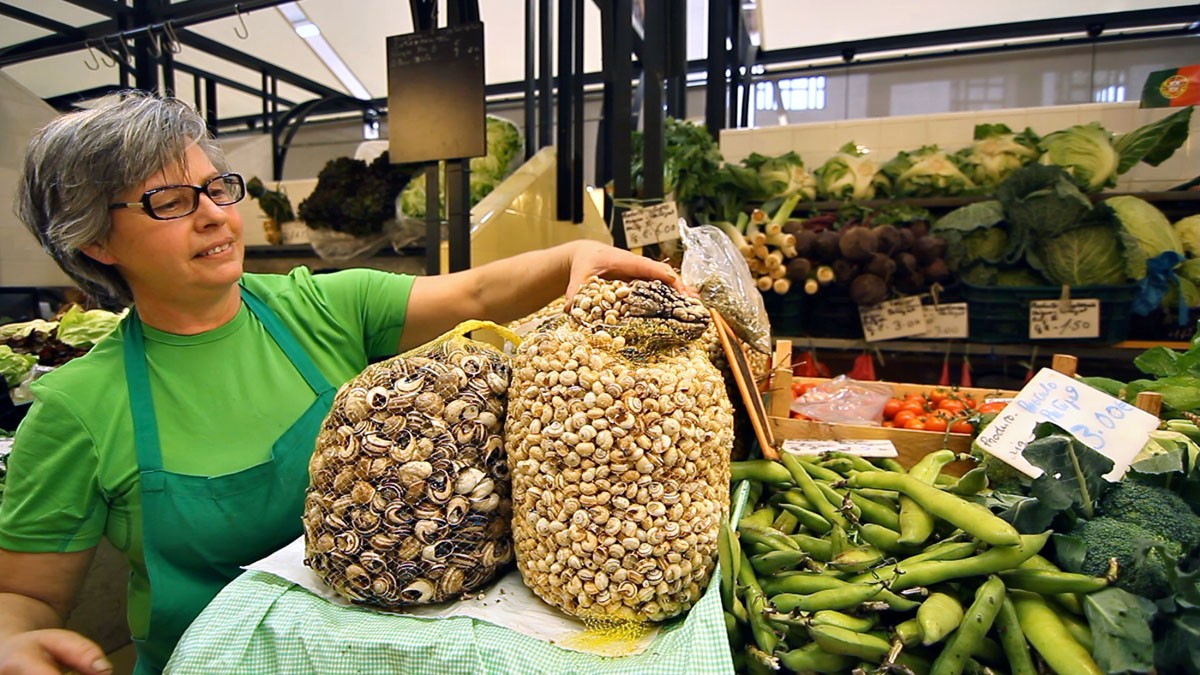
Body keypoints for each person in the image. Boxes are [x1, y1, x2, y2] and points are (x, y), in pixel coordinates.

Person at [0, 90, 682, 675]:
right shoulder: (77, 408)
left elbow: (475, 289)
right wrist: (13, 639)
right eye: (169, 201)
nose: (212, 213)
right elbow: (23, 598)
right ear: (97, 241)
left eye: (216, 187)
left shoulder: (317, 308)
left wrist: (577, 253)